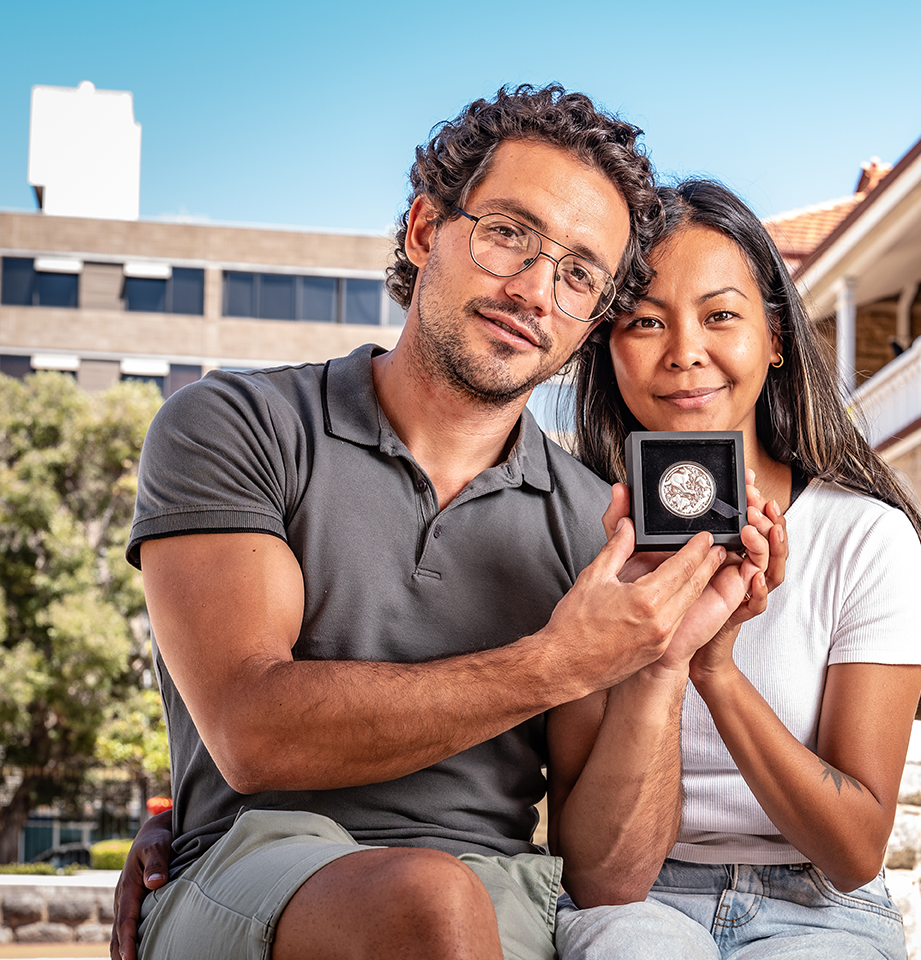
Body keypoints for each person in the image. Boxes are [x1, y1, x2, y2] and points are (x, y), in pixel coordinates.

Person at [109, 87, 785, 960]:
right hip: (252, 867)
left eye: (580, 273)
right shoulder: (237, 424)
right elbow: (253, 732)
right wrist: (558, 660)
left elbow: (607, 877)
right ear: (428, 230)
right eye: (510, 233)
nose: (536, 290)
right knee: (431, 901)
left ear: (587, 325)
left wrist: (658, 661)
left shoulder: (595, 518)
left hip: (505, 891)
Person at [552, 179, 921, 959]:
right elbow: (598, 875)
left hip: (820, 908)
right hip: (644, 895)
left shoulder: (865, 538)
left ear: (774, 338)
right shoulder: (583, 543)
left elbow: (853, 852)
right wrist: (659, 657)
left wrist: (717, 669)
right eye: (644, 320)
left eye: (720, 315)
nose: (684, 352)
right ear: (609, 346)